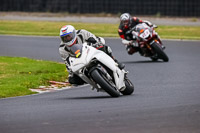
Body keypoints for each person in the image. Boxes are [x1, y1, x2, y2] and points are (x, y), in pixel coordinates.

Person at [59, 25, 124, 85]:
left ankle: (115, 62)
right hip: (80, 61)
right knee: (72, 79)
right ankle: (92, 80)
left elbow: (95, 39)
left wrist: (95, 42)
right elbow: (67, 63)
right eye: (64, 38)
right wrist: (71, 71)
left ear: (73, 34)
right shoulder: (62, 48)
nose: (67, 39)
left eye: (68, 36)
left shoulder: (82, 33)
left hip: (91, 51)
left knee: (105, 48)